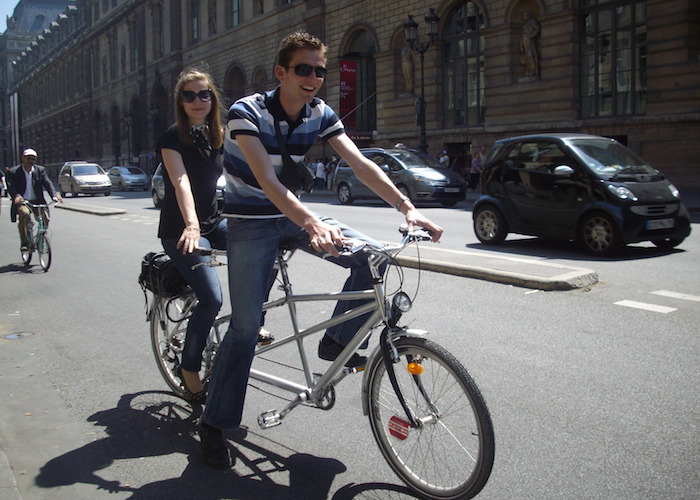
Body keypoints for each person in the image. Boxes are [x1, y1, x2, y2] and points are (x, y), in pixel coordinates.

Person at [198, 31, 443, 469]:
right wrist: (311, 223)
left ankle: (335, 342)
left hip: (293, 215)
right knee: (245, 326)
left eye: (319, 70)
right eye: (303, 69)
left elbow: (360, 163)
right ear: (282, 72)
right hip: (251, 224)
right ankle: (214, 425)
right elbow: (268, 184)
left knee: (372, 256)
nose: (313, 78)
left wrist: (408, 208)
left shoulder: (320, 113)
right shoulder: (245, 112)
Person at [155, 68, 274, 404]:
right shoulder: (171, 138)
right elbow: (182, 183)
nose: (198, 101)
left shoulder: (218, 135)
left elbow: (245, 173)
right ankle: (188, 368)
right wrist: (191, 225)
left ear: (213, 98)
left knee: (268, 250)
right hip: (182, 230)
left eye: (204, 94)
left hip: (214, 222)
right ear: (180, 101)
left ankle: (252, 321)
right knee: (211, 298)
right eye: (189, 95)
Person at [8, 149, 62, 251]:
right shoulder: (14, 172)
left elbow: (47, 183)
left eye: (33, 159)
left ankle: (41, 237)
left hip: (38, 201)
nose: (31, 161)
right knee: (25, 214)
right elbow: (11, 187)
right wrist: (17, 196)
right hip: (23, 202)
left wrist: (54, 196)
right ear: (23, 158)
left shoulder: (39, 170)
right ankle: (25, 243)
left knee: (45, 218)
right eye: (28, 158)